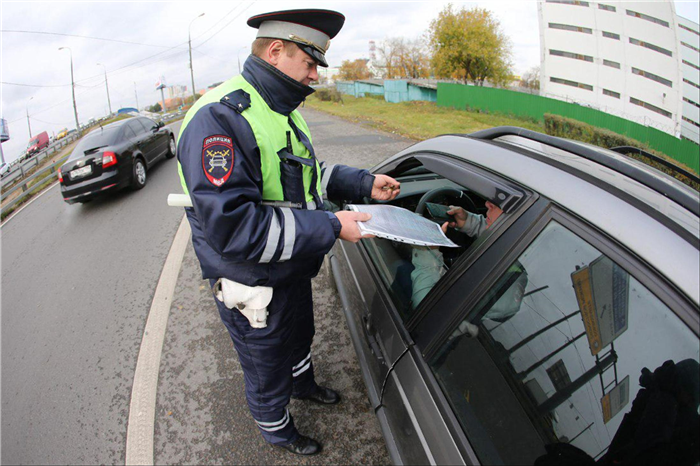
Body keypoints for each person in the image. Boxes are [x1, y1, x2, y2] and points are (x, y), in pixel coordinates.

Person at [175, 9, 400, 456]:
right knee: (266, 364)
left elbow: (304, 177)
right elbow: (234, 229)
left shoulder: (279, 108)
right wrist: (333, 225)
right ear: (276, 51)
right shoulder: (220, 118)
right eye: (310, 63)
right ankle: (277, 430)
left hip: (290, 266)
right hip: (251, 280)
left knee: (298, 335)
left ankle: (304, 385)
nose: (314, 76)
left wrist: (360, 183)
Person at [411, 201, 503, 307]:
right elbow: (503, 227)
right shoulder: (515, 237)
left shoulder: (507, 288)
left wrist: (427, 251)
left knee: (401, 268)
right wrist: (469, 222)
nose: (488, 203)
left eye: (501, 203)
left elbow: (426, 310)